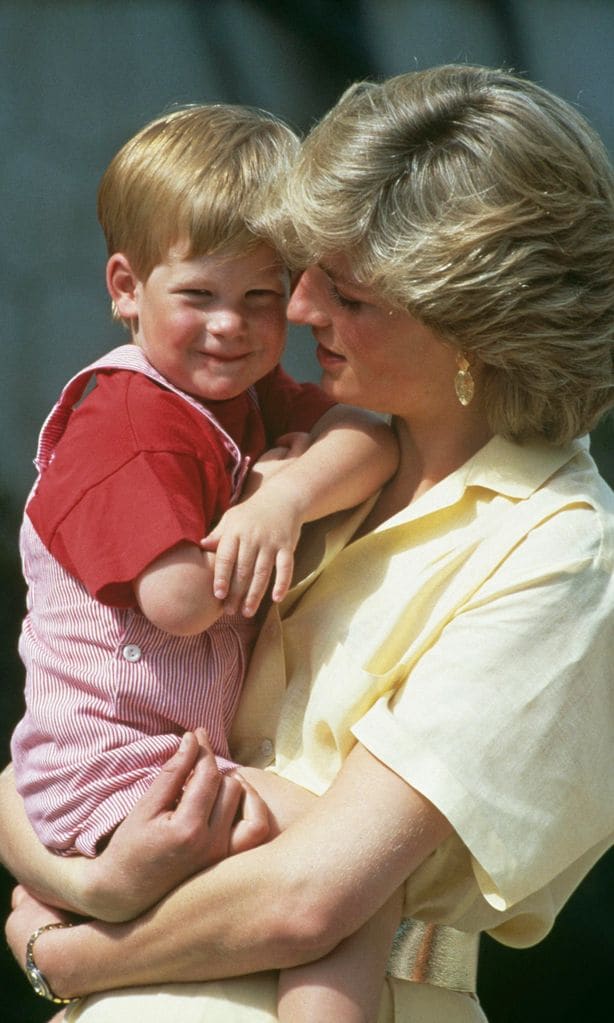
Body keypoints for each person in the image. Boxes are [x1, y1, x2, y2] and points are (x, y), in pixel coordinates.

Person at [3, 63, 614, 1023]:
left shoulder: (558, 553)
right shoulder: (292, 454)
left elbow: (314, 893)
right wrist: (77, 885)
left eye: (348, 295)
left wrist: (69, 945)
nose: (294, 313)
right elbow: (44, 758)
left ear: (472, 330)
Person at [6, 103, 400, 1023]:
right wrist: (260, 509)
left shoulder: (243, 399)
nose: (233, 326)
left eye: (263, 297)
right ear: (126, 286)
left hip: (155, 762)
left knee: (342, 879)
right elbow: (180, 599)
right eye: (201, 296)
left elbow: (373, 434)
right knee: (353, 866)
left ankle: (69, 946)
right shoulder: (127, 423)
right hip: (114, 770)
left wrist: (284, 497)